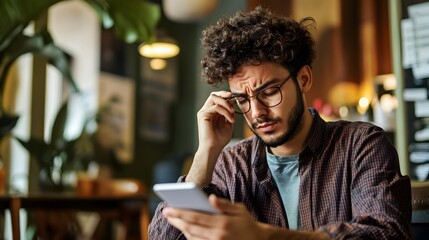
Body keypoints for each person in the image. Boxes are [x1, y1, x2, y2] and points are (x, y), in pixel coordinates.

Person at [149, 6, 411, 240]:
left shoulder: (361, 145)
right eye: (242, 99)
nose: (256, 113)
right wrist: (205, 152)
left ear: (304, 79)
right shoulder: (231, 165)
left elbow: (386, 233)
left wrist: (262, 236)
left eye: (270, 91)